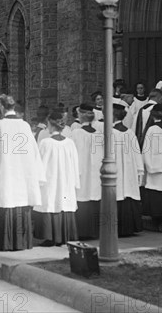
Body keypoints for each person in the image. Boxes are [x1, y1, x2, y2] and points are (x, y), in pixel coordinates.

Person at [0, 94, 46, 251]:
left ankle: (4, 242)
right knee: (20, 203)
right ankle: (21, 242)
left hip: (6, 172)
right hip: (23, 174)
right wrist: (38, 174)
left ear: (2, 107)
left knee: (5, 202)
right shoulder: (25, 126)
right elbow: (34, 151)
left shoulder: (0, 126)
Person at [33, 110, 79, 246]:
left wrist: (38, 180)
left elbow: (39, 163)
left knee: (52, 202)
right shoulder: (69, 143)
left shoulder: (45, 143)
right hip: (66, 180)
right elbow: (75, 163)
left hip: (50, 179)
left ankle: (50, 236)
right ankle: (64, 235)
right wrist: (75, 181)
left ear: (50, 125)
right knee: (62, 203)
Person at [70, 103, 103, 240]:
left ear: (81, 116)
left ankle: (82, 231)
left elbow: (72, 153)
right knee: (93, 197)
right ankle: (94, 231)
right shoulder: (99, 134)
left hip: (82, 172)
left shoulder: (76, 133)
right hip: (95, 172)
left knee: (83, 197)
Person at [111, 103, 143, 236]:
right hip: (129, 170)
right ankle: (129, 228)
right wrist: (139, 170)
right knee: (127, 193)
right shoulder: (130, 132)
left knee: (119, 193)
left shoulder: (111, 132)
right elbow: (137, 153)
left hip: (116, 169)